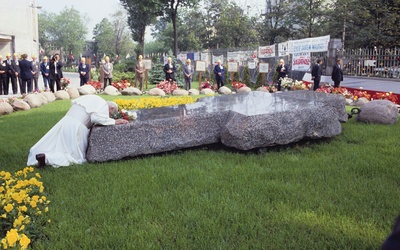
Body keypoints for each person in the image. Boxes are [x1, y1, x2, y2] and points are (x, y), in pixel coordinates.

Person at [27, 95, 128, 168]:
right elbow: (96, 118)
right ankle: (47, 158)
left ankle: (42, 154)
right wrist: (114, 121)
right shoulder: (103, 104)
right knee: (76, 157)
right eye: (110, 113)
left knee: (58, 146)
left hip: (66, 122)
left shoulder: (93, 98)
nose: (108, 115)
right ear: (111, 108)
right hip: (78, 127)